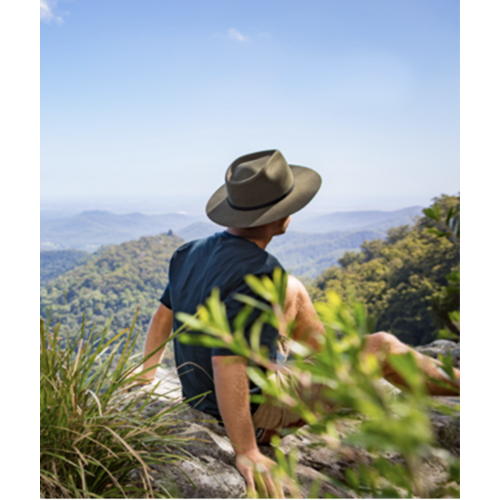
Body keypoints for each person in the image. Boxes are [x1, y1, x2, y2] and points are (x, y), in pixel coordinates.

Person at [140, 150, 460, 500]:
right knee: (382, 346)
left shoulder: (187, 252)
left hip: (197, 397)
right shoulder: (261, 271)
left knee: (293, 289)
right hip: (250, 411)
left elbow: (161, 320)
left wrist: (142, 383)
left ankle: (336, 368)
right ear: (280, 215)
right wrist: (246, 450)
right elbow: (227, 362)